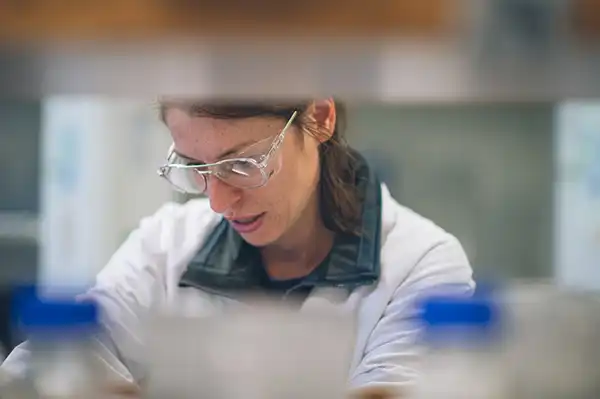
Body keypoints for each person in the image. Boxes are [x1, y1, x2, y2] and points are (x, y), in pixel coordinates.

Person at [1, 98, 474, 392]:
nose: (219, 200)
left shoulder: (422, 265)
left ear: (320, 117)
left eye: (242, 164)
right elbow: (34, 373)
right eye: (195, 167)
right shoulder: (164, 246)